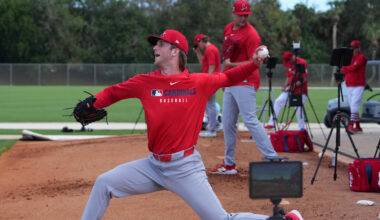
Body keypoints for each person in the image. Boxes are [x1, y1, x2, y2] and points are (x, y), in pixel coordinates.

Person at [79, 29, 303, 220]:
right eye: (155, 44)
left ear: (175, 51)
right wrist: (93, 103)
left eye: (160, 44)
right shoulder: (145, 82)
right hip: (153, 166)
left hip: (185, 167)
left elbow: (228, 78)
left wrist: (253, 63)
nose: (155, 47)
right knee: (104, 184)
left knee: (220, 218)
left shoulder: (198, 82)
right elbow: (114, 92)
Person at [210, 0, 278, 175]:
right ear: (233, 14)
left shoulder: (251, 34)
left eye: (246, 14)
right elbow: (227, 55)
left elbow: (254, 63)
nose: (244, 17)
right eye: (241, 14)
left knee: (249, 119)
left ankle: (272, 157)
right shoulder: (228, 29)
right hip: (231, 81)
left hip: (246, 80)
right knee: (227, 123)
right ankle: (229, 165)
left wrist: (231, 65)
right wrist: (226, 77)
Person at [264, 51, 308, 130]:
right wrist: (285, 86)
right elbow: (288, 77)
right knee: (278, 101)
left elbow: (304, 79)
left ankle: (301, 128)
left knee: (299, 108)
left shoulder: (302, 62)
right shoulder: (289, 64)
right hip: (289, 90)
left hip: (300, 91)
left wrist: (293, 86)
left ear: (292, 57)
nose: (288, 63)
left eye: (288, 61)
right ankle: (272, 123)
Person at [193, 33, 222, 137]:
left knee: (210, 105)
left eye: (198, 44)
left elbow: (212, 67)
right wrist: (198, 53)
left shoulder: (210, 50)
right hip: (213, 79)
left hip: (211, 80)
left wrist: (207, 81)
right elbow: (204, 63)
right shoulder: (210, 49)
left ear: (201, 41)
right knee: (209, 104)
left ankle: (212, 130)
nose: (198, 46)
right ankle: (216, 125)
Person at [342, 40, 367, 133]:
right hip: (349, 84)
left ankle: (351, 125)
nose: (354, 50)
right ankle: (358, 126)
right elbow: (344, 70)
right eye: (352, 48)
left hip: (358, 85)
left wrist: (347, 68)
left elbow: (353, 68)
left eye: (355, 48)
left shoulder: (361, 57)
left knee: (354, 106)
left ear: (359, 48)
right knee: (352, 105)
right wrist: (347, 68)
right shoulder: (349, 57)